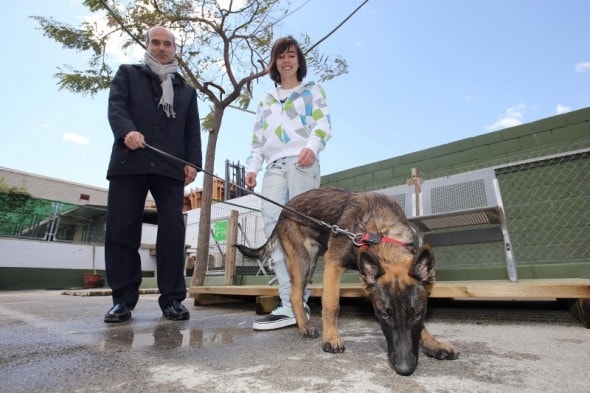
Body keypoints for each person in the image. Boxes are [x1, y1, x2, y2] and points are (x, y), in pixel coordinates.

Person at [103, 26, 202, 323]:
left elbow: (191, 130)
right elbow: (116, 107)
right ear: (147, 45)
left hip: (170, 168)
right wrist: (126, 131)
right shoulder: (128, 74)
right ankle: (123, 300)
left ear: (175, 49)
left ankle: (172, 299)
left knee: (173, 232)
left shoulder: (186, 91)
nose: (161, 48)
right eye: (156, 42)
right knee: (122, 230)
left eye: (167, 44)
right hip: (129, 161)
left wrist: (192, 162)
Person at [245, 36, 332, 330]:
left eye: (291, 55)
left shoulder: (312, 91)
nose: (286, 60)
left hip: (302, 163)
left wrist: (313, 147)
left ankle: (300, 303)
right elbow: (257, 140)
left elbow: (322, 124)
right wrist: (252, 167)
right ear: (275, 62)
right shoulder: (267, 100)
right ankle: (288, 303)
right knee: (274, 232)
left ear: (298, 61)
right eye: (281, 56)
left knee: (302, 234)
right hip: (273, 169)